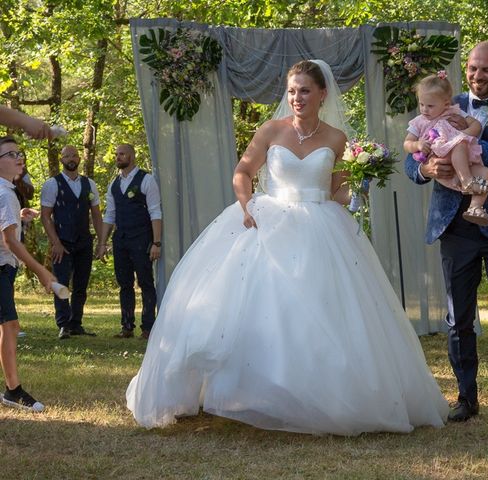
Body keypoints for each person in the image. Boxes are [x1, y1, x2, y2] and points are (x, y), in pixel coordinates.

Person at [126, 59, 449, 434]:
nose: (297, 97)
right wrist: (246, 207)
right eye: (292, 90)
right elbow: (243, 172)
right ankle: (251, 390)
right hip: (268, 219)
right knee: (255, 306)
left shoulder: (337, 139)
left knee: (321, 311)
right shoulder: (271, 130)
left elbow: (337, 192)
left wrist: (360, 184)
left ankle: (318, 394)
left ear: (322, 94)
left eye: (305, 90)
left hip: (321, 226)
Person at [405, 41, 488, 430]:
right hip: (456, 225)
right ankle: (466, 397)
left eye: (487, 70)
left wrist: (473, 144)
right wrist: (426, 169)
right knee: (457, 317)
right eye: (474, 69)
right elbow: (414, 159)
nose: (479, 76)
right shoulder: (444, 104)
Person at [0, 136, 55, 411]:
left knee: (9, 327)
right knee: (10, 327)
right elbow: (10, 242)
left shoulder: (6, 193)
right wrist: (42, 270)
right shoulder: (4, 194)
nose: (18, 157)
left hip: (4, 268)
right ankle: (13, 391)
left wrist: (18, 215)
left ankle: (12, 389)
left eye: (18, 152)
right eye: (10, 154)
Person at [404, 71, 488, 226]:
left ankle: (475, 208)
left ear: (446, 104)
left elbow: (476, 126)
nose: (424, 110)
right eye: (421, 104)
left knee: (487, 173)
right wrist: (417, 145)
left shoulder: (454, 112)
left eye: (430, 106)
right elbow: (407, 144)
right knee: (459, 144)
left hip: (463, 165)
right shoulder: (419, 122)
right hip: (443, 164)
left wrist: (461, 135)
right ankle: (467, 182)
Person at [95, 145, 162, 340]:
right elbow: (110, 215)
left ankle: (148, 327)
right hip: (121, 239)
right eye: (116, 154)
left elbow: (155, 212)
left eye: (121, 154)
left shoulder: (146, 180)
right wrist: (102, 242)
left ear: (131, 156)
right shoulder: (114, 184)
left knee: (145, 282)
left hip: (142, 238)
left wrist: (156, 243)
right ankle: (127, 326)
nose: (118, 157)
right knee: (124, 283)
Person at [41, 145, 103, 339]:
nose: (71, 158)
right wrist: (55, 242)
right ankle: (63, 324)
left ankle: (76, 323)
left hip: (84, 241)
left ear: (79, 159)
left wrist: (101, 242)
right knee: (61, 284)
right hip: (63, 242)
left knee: (81, 285)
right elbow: (45, 216)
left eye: (74, 155)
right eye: (67, 155)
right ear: (61, 159)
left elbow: (96, 214)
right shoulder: (52, 184)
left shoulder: (89, 184)